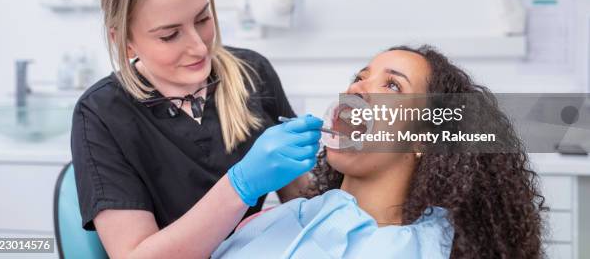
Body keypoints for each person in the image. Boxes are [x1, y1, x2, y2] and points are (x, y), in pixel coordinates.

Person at [70, 0, 323, 258]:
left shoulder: (252, 73)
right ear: (124, 41)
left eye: (203, 19)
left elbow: (307, 201)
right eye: (169, 35)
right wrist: (239, 186)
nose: (200, 47)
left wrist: (332, 162)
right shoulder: (101, 114)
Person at [213, 45, 545, 258]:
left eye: (392, 85)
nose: (357, 88)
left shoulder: (424, 248)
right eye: (360, 77)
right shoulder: (273, 222)